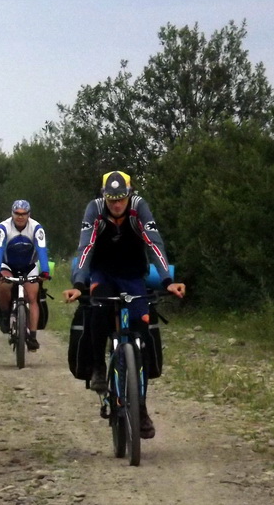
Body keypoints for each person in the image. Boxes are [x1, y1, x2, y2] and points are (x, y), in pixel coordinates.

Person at [63, 171, 185, 439]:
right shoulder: (95, 209)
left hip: (133, 276)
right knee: (98, 309)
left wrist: (167, 280)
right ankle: (98, 366)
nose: (116, 204)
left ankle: (141, 409)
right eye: (111, 199)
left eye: (121, 199)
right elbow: (86, 247)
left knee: (142, 334)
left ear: (129, 194)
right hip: (103, 274)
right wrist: (80, 283)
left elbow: (154, 243)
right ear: (103, 195)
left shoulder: (139, 207)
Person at [0, 199, 51, 351]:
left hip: (28, 266)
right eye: (17, 213)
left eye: (24, 214)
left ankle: (33, 336)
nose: (20, 217)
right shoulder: (3, 227)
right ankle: (5, 314)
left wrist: (45, 271)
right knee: (4, 287)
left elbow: (42, 249)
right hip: (7, 265)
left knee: (33, 296)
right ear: (12, 213)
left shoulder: (36, 228)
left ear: (29, 214)